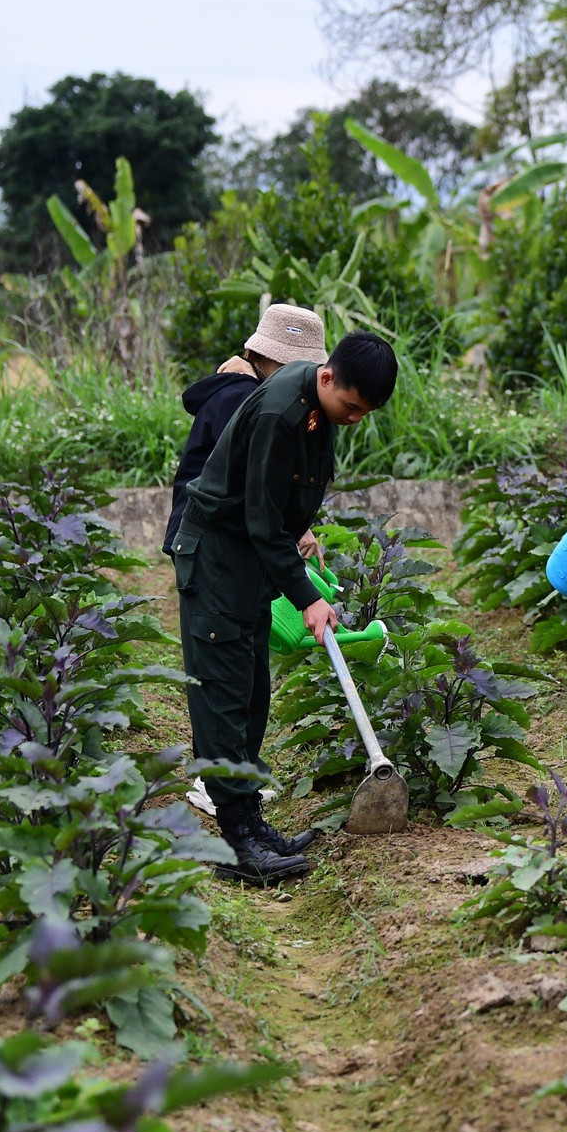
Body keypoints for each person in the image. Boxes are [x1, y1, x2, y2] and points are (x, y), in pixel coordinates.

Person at [170, 331, 399, 884]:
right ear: (326, 376)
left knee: (252, 691)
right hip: (219, 558)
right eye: (351, 406)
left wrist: (302, 531)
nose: (354, 419)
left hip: (248, 560)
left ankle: (250, 820)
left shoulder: (318, 409)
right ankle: (237, 845)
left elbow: (288, 496)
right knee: (224, 699)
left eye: (365, 413)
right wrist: (309, 598)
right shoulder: (279, 411)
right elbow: (258, 519)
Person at [163, 303, 328, 560]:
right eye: (286, 366)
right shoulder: (238, 398)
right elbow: (254, 473)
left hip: (221, 539)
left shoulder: (257, 396)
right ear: (257, 356)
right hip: (205, 542)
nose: (296, 378)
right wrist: (297, 528)